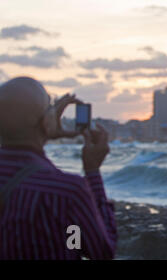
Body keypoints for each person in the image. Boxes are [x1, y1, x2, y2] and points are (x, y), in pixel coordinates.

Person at [0, 76, 116, 260]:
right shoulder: (67, 191)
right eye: (50, 107)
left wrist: (45, 131)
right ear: (46, 122)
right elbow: (101, 250)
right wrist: (92, 172)